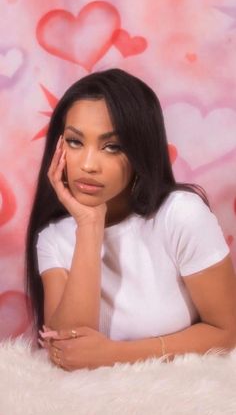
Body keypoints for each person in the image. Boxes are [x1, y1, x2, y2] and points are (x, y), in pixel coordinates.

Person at [25, 68, 236, 371]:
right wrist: (90, 225)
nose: (87, 164)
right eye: (74, 142)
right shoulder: (53, 238)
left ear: (140, 151)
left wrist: (113, 355)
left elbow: (226, 332)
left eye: (112, 146)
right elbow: (68, 352)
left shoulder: (180, 215)